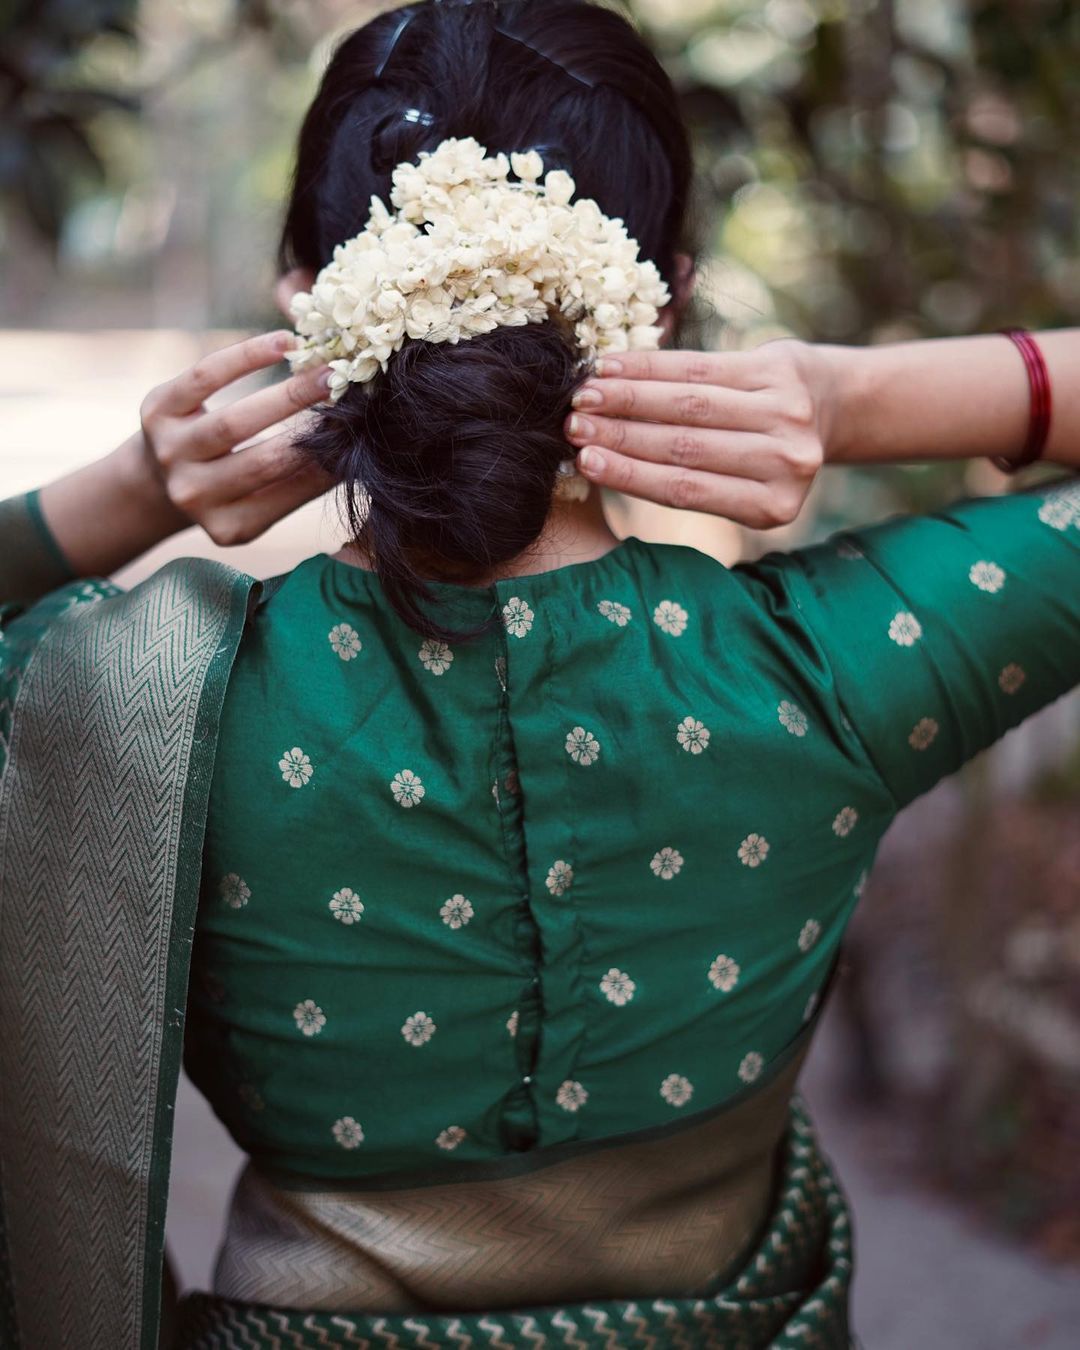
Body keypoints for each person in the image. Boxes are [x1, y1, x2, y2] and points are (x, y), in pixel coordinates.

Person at [0, 1, 1076, 1346]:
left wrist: (133, 489)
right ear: (665, 296)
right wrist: (850, 402)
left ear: (307, 301)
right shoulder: (829, 670)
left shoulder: (136, 706)